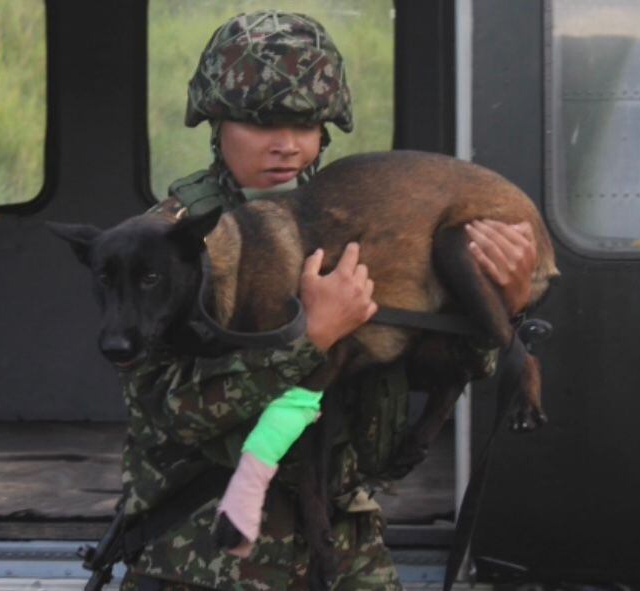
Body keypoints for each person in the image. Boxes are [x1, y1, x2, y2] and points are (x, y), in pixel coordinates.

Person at [116, 10, 537, 590]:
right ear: (214, 122)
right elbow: (168, 412)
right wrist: (309, 339)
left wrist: (502, 309)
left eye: (308, 124)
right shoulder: (164, 248)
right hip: (207, 562)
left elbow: (421, 365)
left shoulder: (351, 223)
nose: (287, 145)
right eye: (261, 123)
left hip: (344, 553)